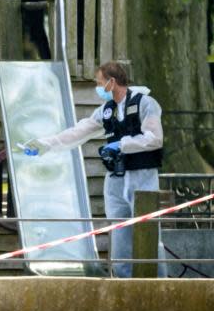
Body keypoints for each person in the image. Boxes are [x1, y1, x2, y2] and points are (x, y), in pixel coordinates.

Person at [23, 61, 164, 278]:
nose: (98, 88)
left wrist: (122, 144)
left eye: (99, 83)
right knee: (119, 233)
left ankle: (158, 282)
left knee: (148, 231)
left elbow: (154, 139)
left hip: (142, 176)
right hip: (116, 178)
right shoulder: (106, 110)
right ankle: (123, 280)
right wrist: (45, 145)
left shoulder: (146, 104)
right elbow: (78, 132)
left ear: (112, 82)